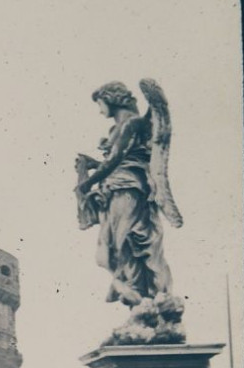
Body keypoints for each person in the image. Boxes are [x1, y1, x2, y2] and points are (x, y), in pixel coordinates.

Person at [74, 80, 178, 306]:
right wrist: (92, 165)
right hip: (114, 190)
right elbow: (114, 160)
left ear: (111, 99)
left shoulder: (132, 123)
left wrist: (87, 182)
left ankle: (139, 294)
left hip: (128, 188)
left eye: (100, 104)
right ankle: (132, 291)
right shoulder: (120, 127)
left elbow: (115, 160)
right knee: (109, 248)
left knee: (124, 242)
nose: (100, 111)